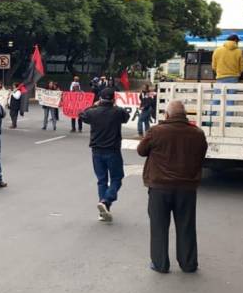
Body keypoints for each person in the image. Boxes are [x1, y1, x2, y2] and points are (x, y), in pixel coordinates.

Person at [137, 100, 208, 274]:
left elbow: (141, 150)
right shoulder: (197, 133)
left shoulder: (156, 131)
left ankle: (160, 264)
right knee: (186, 226)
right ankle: (188, 263)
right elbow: (202, 154)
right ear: (185, 115)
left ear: (167, 115)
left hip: (159, 186)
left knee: (159, 226)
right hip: (186, 187)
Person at [79, 88, 132, 222]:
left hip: (97, 150)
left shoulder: (93, 112)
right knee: (117, 178)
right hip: (112, 150)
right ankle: (106, 201)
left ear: (100, 98)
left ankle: (104, 208)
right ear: (113, 99)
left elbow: (82, 114)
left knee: (102, 180)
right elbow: (127, 116)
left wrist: (94, 105)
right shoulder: (117, 112)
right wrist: (115, 105)